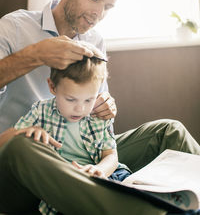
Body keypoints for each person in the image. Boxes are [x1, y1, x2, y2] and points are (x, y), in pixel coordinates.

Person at [0, 0, 200, 215]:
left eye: (108, 6)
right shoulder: (14, 26)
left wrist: (103, 106)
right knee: (22, 143)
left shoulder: (95, 40)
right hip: (20, 161)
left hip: (80, 156)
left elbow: (98, 124)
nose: (98, 13)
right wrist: (37, 54)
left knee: (168, 131)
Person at [12, 42, 131, 215]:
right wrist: (28, 135)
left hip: (100, 175)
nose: (80, 109)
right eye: (71, 99)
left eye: (89, 100)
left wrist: (100, 170)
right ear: (52, 87)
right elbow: (14, 141)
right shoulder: (40, 111)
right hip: (64, 182)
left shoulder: (98, 116)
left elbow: (111, 156)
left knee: (124, 187)